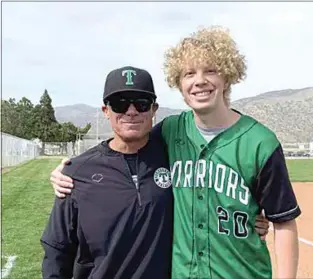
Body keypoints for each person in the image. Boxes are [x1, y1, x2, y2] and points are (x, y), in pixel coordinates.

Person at [49, 26, 295, 279]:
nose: (200, 80)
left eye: (210, 70)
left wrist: (250, 220)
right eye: (189, 73)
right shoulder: (171, 131)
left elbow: (284, 220)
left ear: (227, 77)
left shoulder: (260, 142)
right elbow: (124, 143)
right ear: (179, 83)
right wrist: (70, 170)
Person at [41, 66, 174, 279]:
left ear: (153, 109)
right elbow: (57, 250)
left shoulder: (175, 158)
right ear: (106, 111)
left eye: (141, 103)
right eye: (120, 103)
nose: (131, 111)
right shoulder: (76, 172)